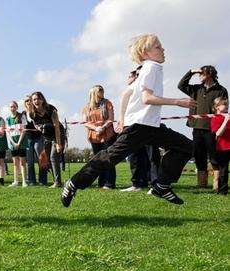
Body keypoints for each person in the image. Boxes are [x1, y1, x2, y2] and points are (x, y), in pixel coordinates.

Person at [61, 34, 195, 207]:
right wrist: (178, 101)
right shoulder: (152, 67)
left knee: (186, 146)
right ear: (145, 52)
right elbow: (147, 98)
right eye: (158, 47)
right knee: (109, 158)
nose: (163, 50)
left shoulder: (146, 69)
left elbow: (126, 93)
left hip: (150, 126)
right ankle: (73, 183)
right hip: (139, 127)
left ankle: (161, 185)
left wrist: (123, 118)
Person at [178, 66, 228, 189]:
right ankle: (202, 184)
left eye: (202, 73)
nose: (199, 75)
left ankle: (218, 184)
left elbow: (223, 109)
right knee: (199, 156)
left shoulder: (221, 90)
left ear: (209, 74)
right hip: (197, 126)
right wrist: (190, 72)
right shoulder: (196, 88)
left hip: (212, 128)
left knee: (214, 157)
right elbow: (181, 85)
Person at [119, 67, 160, 192]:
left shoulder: (150, 86)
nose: (132, 77)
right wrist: (122, 120)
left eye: (135, 74)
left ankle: (156, 185)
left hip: (148, 125)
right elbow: (124, 102)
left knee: (152, 156)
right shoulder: (131, 89)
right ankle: (138, 184)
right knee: (135, 156)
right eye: (133, 74)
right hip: (133, 126)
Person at [28, 91, 65, 188]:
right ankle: (56, 181)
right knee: (47, 159)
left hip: (58, 134)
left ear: (42, 99)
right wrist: (39, 128)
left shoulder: (50, 109)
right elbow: (35, 123)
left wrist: (58, 143)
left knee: (53, 156)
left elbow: (56, 127)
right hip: (47, 136)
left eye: (38, 99)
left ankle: (57, 182)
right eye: (34, 99)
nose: (36, 101)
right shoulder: (32, 113)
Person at [82, 85, 116, 189]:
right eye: (99, 90)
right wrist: (96, 128)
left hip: (107, 134)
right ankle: (101, 183)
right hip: (94, 136)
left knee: (108, 159)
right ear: (93, 93)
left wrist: (102, 127)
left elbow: (111, 119)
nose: (101, 91)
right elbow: (85, 122)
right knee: (98, 160)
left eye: (102, 90)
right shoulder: (87, 107)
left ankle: (110, 183)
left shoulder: (107, 103)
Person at [24, 96, 47, 186]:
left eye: (30, 100)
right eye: (26, 101)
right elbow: (23, 126)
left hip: (38, 137)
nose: (28, 102)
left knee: (41, 159)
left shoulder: (36, 112)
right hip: (28, 139)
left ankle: (42, 180)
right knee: (29, 161)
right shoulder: (23, 114)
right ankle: (31, 181)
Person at [210, 97, 230, 195]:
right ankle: (223, 191)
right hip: (222, 148)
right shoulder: (215, 118)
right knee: (224, 170)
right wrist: (225, 121)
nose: (226, 106)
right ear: (216, 107)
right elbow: (218, 133)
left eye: (227, 104)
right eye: (224, 104)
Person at [6, 100, 28, 187]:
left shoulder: (21, 116)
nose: (12, 108)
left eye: (14, 106)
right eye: (11, 107)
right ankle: (15, 181)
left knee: (22, 162)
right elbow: (8, 132)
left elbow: (24, 130)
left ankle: (24, 181)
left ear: (17, 107)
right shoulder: (7, 119)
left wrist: (18, 142)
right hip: (13, 143)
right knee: (15, 163)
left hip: (21, 142)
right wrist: (13, 143)